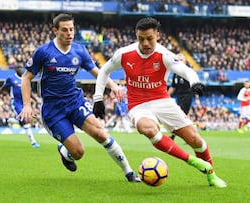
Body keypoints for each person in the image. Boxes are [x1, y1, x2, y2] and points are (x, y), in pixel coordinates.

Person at [93, 17, 227, 188]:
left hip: (163, 101)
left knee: (195, 140)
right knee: (147, 128)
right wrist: (98, 99)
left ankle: (212, 175)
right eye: (141, 39)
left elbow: (186, 71)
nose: (145, 43)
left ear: (157, 35)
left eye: (150, 38)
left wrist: (195, 83)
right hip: (138, 105)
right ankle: (192, 161)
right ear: (137, 36)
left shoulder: (164, 55)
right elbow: (104, 71)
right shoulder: (124, 53)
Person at [18, 13, 140, 182]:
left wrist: (113, 86)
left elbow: (98, 72)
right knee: (78, 152)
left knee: (101, 134)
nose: (69, 33)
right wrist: (27, 105)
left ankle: (129, 172)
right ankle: (65, 151)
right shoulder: (44, 52)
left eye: (72, 29)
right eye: (65, 30)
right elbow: (26, 78)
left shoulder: (79, 50)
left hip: (75, 102)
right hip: (53, 110)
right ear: (55, 31)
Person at [0, 64, 40, 148]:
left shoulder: (26, 78)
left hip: (25, 103)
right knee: (26, 119)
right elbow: (2, 88)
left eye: (21, 67)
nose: (20, 69)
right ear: (15, 69)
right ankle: (33, 142)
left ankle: (8, 120)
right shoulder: (11, 78)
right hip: (16, 103)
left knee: (24, 122)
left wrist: (36, 100)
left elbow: (29, 92)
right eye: (18, 68)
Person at [167, 53, 194, 140]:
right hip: (179, 96)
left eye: (181, 59)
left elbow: (194, 84)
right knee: (183, 117)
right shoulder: (176, 73)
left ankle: (173, 136)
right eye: (178, 59)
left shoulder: (188, 71)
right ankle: (191, 134)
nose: (180, 61)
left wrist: (197, 97)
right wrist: (166, 96)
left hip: (187, 95)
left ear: (185, 62)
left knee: (181, 115)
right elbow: (173, 87)